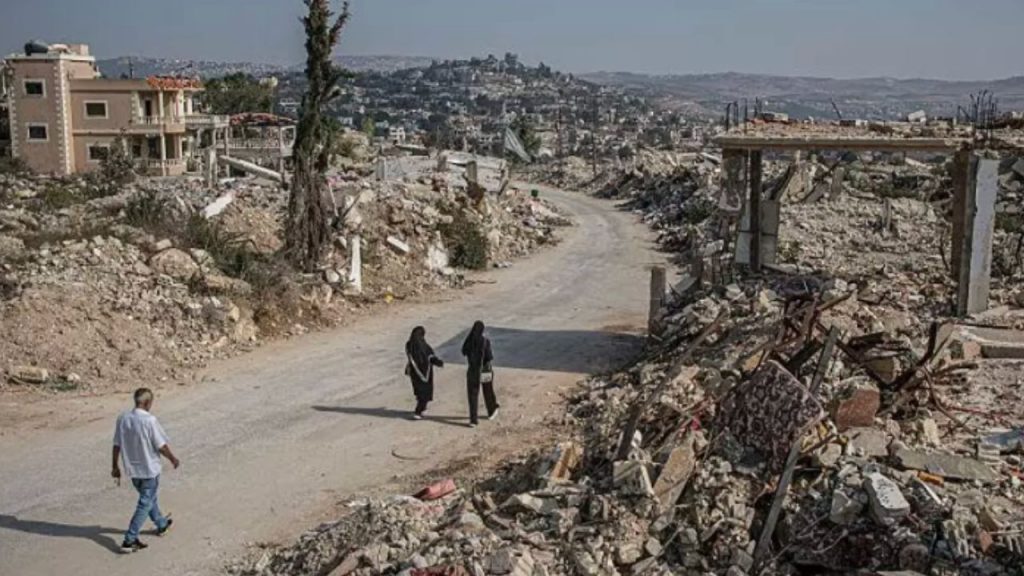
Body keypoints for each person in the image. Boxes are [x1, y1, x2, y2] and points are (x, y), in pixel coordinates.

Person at [111, 387, 180, 552]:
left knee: (149, 499)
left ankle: (162, 524)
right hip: (149, 470)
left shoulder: (123, 419)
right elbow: (161, 445)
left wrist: (114, 466)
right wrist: (173, 458)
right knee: (145, 503)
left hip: (133, 471)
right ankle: (130, 539)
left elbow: (116, 444)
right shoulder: (149, 420)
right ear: (148, 402)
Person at [461, 320, 499, 427]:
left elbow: (463, 351)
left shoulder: (468, 342)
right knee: (488, 391)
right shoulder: (485, 342)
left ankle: (473, 420)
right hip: (484, 371)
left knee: (472, 396)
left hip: (472, 371)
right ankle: (491, 411)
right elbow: (489, 357)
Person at [406, 326, 444, 419]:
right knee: (425, 392)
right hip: (425, 372)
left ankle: (423, 409)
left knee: (419, 391)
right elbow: (430, 357)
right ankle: (418, 411)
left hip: (414, 372)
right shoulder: (424, 346)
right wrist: (439, 362)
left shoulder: (409, 345)